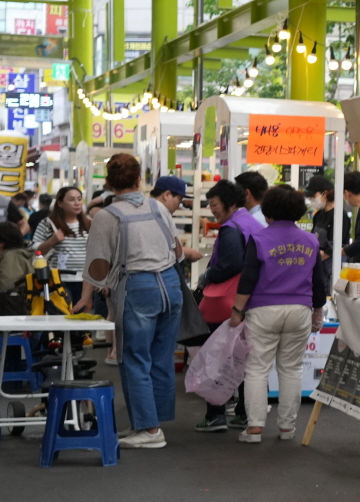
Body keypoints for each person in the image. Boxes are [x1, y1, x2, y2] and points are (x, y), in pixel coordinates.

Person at [86, 152, 185, 449]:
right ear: (140, 179)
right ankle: (151, 421)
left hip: (138, 288)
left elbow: (97, 266)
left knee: (134, 358)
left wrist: (88, 297)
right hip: (171, 284)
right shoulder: (158, 207)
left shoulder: (106, 215)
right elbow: (178, 251)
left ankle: (150, 429)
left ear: (109, 182)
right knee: (160, 357)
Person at [227, 184, 329, 444]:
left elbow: (248, 279)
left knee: (257, 368)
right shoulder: (310, 241)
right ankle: (287, 428)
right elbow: (318, 282)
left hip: (263, 310)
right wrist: (318, 312)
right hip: (300, 310)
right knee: (291, 369)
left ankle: (255, 428)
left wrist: (237, 310)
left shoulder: (259, 239)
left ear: (268, 211)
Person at [194, 179, 257, 432]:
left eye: (214, 205)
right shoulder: (253, 223)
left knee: (217, 357)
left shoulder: (231, 228)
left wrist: (207, 276)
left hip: (225, 303)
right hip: (249, 300)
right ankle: (244, 412)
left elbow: (230, 264)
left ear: (230, 204)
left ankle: (215, 415)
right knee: (244, 358)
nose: (212, 210)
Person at [31, 186, 90, 309]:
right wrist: (52, 241)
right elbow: (35, 250)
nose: (77, 203)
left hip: (85, 281)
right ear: (60, 203)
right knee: (60, 316)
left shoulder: (89, 224)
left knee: (80, 320)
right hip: (59, 279)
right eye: (71, 199)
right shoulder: (47, 223)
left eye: (79, 199)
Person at [150, 177, 206, 264]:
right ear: (167, 195)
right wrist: (189, 253)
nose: (179, 205)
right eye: (179, 200)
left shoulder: (152, 209)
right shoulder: (158, 213)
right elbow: (162, 249)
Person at [304, 173, 337, 247]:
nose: (311, 199)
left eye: (313, 196)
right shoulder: (318, 215)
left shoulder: (339, 216)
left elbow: (336, 246)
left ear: (325, 193)